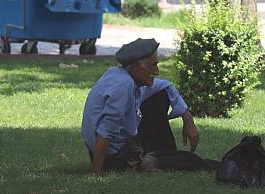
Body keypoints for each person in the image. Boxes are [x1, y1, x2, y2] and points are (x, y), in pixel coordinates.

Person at [81, 38, 215, 175]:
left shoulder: (121, 75)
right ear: (135, 66)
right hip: (115, 156)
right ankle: (148, 161)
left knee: (160, 94)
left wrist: (187, 118)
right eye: (152, 66)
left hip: (123, 146)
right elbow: (104, 131)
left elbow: (166, 86)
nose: (156, 72)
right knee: (189, 160)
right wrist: (97, 171)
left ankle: (156, 156)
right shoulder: (124, 86)